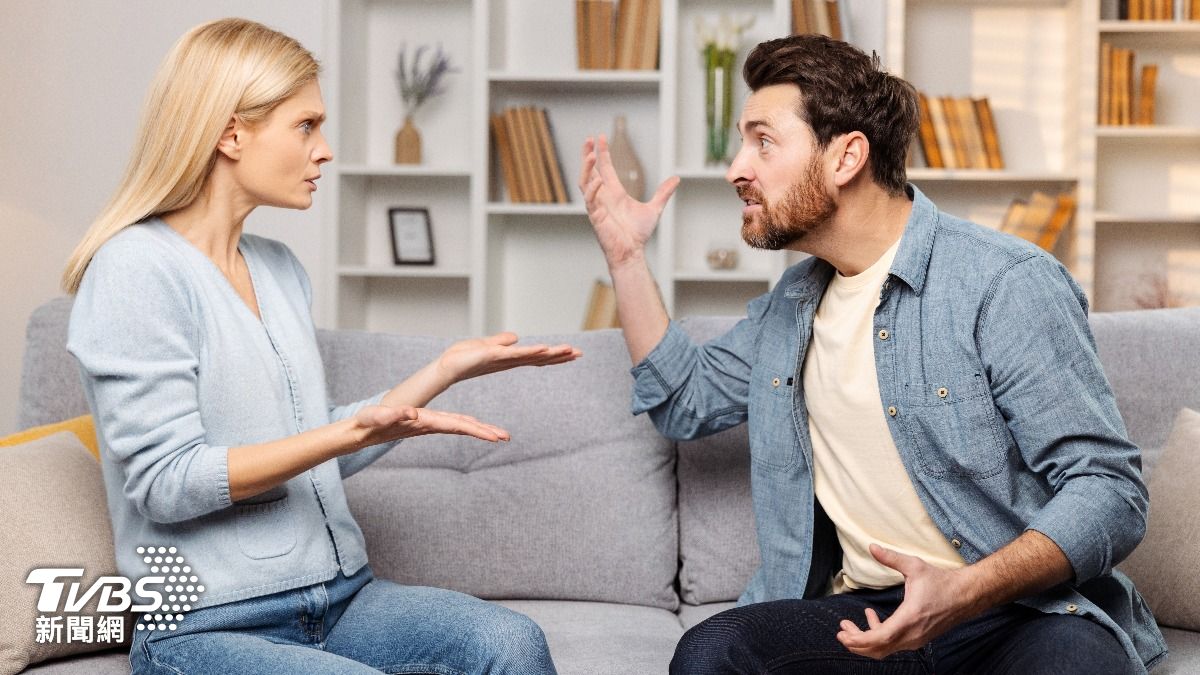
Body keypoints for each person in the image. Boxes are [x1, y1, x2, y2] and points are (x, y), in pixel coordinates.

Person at [580, 34, 1165, 675]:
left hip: (1019, 612)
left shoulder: (1003, 283)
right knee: (713, 653)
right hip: (867, 615)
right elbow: (683, 402)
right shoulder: (793, 305)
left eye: (763, 141)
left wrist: (963, 591)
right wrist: (626, 256)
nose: (736, 169)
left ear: (846, 157)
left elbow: (1108, 489)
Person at [64, 18, 575, 675]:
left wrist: (447, 368)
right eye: (306, 125)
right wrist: (344, 435)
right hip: (204, 623)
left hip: (339, 598)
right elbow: (166, 483)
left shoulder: (278, 268)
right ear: (230, 132)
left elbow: (308, 441)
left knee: (511, 643)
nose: (326, 149)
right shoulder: (135, 268)